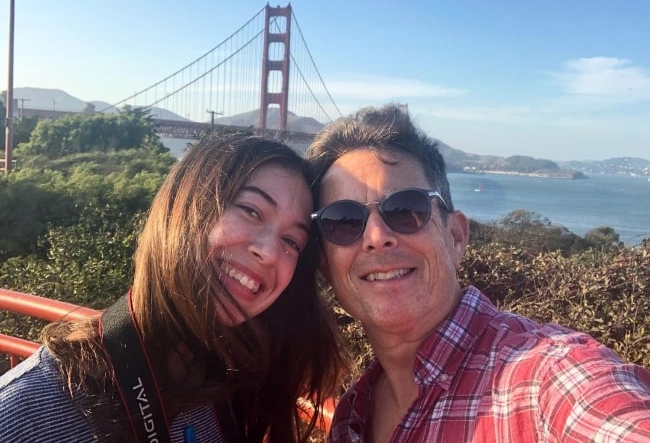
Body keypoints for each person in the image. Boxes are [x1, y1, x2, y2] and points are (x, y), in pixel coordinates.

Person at [306, 104, 650, 442]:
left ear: (455, 237)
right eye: (343, 221)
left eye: (406, 209)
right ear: (325, 261)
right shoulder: (352, 414)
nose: (377, 237)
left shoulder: (549, 377)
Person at [0, 132, 345, 443]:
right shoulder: (23, 415)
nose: (269, 252)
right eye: (251, 211)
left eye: (291, 240)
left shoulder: (224, 390)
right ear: (183, 209)